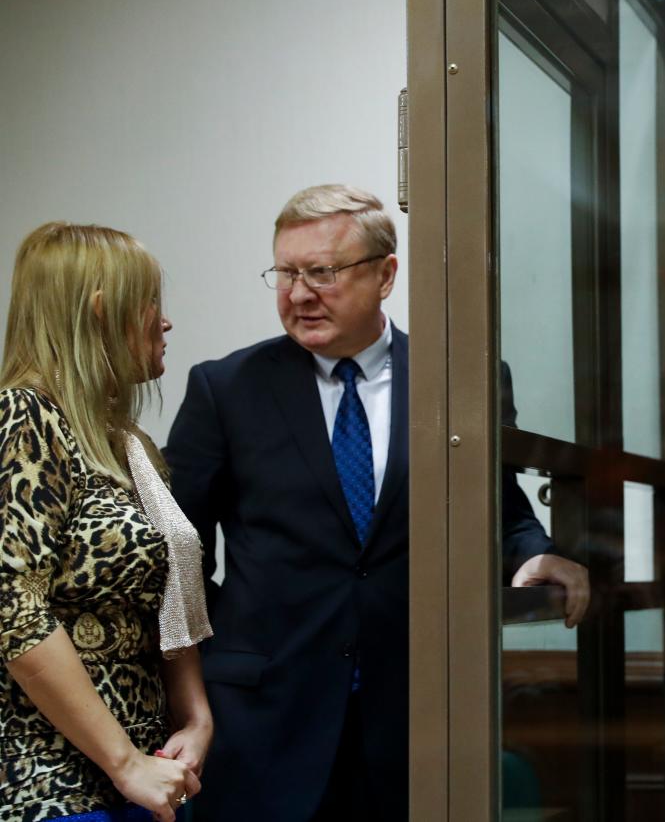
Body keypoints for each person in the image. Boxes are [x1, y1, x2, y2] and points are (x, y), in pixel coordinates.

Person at [164, 184, 588, 821]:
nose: (299, 293)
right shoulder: (224, 388)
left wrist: (536, 554)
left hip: (416, 717)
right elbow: (180, 553)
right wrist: (243, 636)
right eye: (286, 272)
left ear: (385, 274)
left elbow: (501, 512)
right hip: (264, 719)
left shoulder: (462, 380)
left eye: (323, 272)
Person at [0, 223, 212, 822]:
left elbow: (171, 595)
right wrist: (124, 763)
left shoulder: (128, 443)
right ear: (100, 311)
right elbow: (12, 606)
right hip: (56, 788)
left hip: (149, 772)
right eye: (150, 303)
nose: (163, 321)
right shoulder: (26, 415)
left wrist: (196, 720)